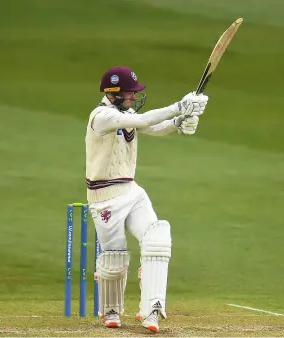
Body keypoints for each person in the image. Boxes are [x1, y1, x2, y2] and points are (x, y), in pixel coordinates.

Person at [86, 66, 208, 333]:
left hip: (131, 191)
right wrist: (178, 106)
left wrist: (177, 123)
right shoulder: (102, 117)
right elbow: (143, 122)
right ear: (113, 92)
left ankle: (152, 309)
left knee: (157, 238)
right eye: (130, 92)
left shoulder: (125, 114)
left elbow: (153, 126)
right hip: (104, 197)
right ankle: (111, 310)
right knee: (114, 258)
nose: (133, 97)